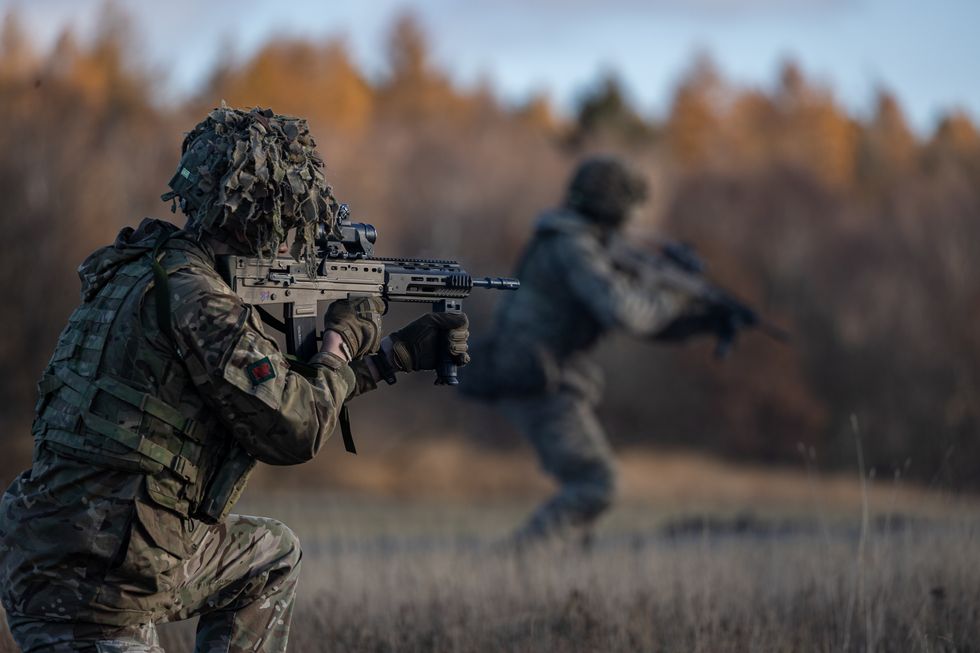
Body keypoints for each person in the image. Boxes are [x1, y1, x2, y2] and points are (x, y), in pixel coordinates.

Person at [0, 106, 469, 652]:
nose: (296, 239)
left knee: (271, 555)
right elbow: (295, 428)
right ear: (262, 215)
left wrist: (386, 361)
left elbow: (266, 397)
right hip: (100, 587)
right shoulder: (200, 301)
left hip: (53, 546)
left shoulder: (140, 269)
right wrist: (343, 341)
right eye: (292, 221)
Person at [462, 156, 720, 549]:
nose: (633, 218)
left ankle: (559, 565)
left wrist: (701, 321)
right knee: (596, 484)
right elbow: (625, 311)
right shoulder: (572, 246)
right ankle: (513, 562)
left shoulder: (570, 239)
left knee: (589, 484)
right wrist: (675, 296)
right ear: (612, 204)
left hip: (544, 374)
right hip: (536, 376)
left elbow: (643, 321)